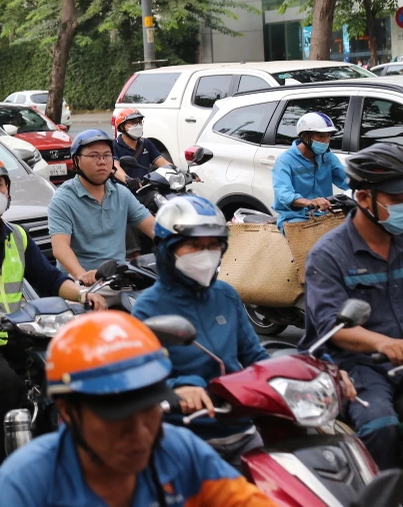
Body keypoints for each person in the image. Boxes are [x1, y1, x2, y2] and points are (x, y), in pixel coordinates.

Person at [132, 196, 355, 464]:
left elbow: (254, 356)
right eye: (194, 245)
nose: (206, 254)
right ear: (166, 249)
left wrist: (316, 371)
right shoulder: (149, 307)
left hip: (243, 424)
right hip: (188, 436)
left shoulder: (225, 294)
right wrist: (181, 389)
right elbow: (144, 381)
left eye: (213, 245)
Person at [0, 156, 106, 485]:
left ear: (8, 190)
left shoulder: (18, 236)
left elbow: (50, 279)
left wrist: (83, 295)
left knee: (64, 372)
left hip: (16, 330)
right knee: (6, 385)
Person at [0, 311, 274, 507]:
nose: (140, 433)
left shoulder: (179, 451)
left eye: (149, 409)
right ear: (68, 412)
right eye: (117, 416)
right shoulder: (24, 487)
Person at [300, 143, 403, 470]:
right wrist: (384, 343)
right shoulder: (327, 255)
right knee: (381, 427)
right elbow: (334, 327)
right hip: (356, 364)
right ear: (363, 198)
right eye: (398, 200)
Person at [49, 130, 155, 284]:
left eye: (107, 155)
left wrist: (183, 245)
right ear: (76, 160)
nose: (102, 161)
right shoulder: (62, 199)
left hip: (119, 279)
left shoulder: (121, 193)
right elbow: (60, 248)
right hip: (82, 284)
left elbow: (154, 228)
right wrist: (81, 275)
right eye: (93, 156)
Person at [272, 111, 349, 231]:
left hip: (325, 216)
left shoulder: (327, 156)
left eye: (328, 136)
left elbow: (346, 179)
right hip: (294, 218)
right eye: (320, 136)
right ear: (305, 136)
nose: (326, 141)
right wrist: (309, 202)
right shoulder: (285, 161)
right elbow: (284, 194)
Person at [111, 107, 169, 186]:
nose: (137, 126)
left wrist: (179, 172)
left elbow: (163, 163)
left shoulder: (146, 143)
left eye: (140, 122)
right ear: (121, 127)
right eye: (133, 122)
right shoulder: (114, 146)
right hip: (124, 191)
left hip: (145, 189)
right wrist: (129, 180)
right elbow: (115, 167)